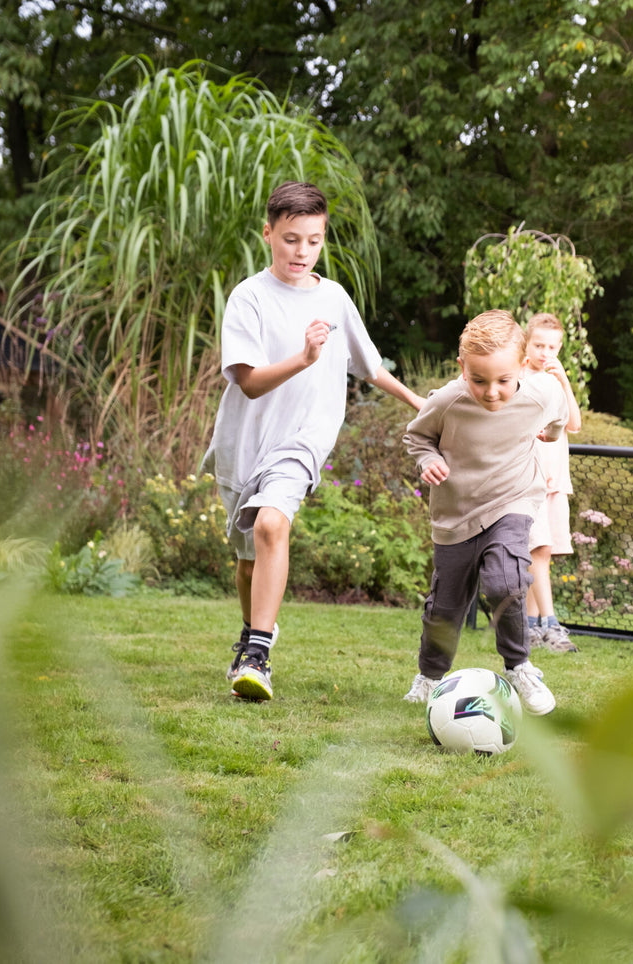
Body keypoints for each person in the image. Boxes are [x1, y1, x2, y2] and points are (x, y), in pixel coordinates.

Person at [202, 180, 424, 702]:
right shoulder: (248, 297)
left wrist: (424, 405)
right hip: (245, 443)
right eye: (291, 239)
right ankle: (253, 634)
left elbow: (371, 369)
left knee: (273, 523)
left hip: (302, 442)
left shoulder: (334, 298)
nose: (302, 252)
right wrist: (303, 358)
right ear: (268, 234)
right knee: (249, 559)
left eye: (314, 240)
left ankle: (257, 653)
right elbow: (250, 383)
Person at [401, 309, 569, 716]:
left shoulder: (540, 392)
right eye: (479, 380)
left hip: (512, 502)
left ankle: (519, 666)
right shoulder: (446, 400)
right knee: (445, 607)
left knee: (506, 580)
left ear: (522, 366)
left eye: (503, 380)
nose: (492, 392)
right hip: (456, 516)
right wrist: (426, 461)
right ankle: (429, 675)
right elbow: (417, 437)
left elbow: (559, 415)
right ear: (462, 368)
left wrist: (552, 434)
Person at [521, 313, 583, 653]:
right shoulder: (519, 379)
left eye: (553, 347)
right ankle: (551, 624)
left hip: (558, 481)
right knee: (539, 550)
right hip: (532, 481)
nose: (546, 352)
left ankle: (529, 629)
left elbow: (573, 424)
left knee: (541, 555)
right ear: (526, 344)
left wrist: (565, 383)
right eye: (539, 345)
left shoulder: (556, 379)